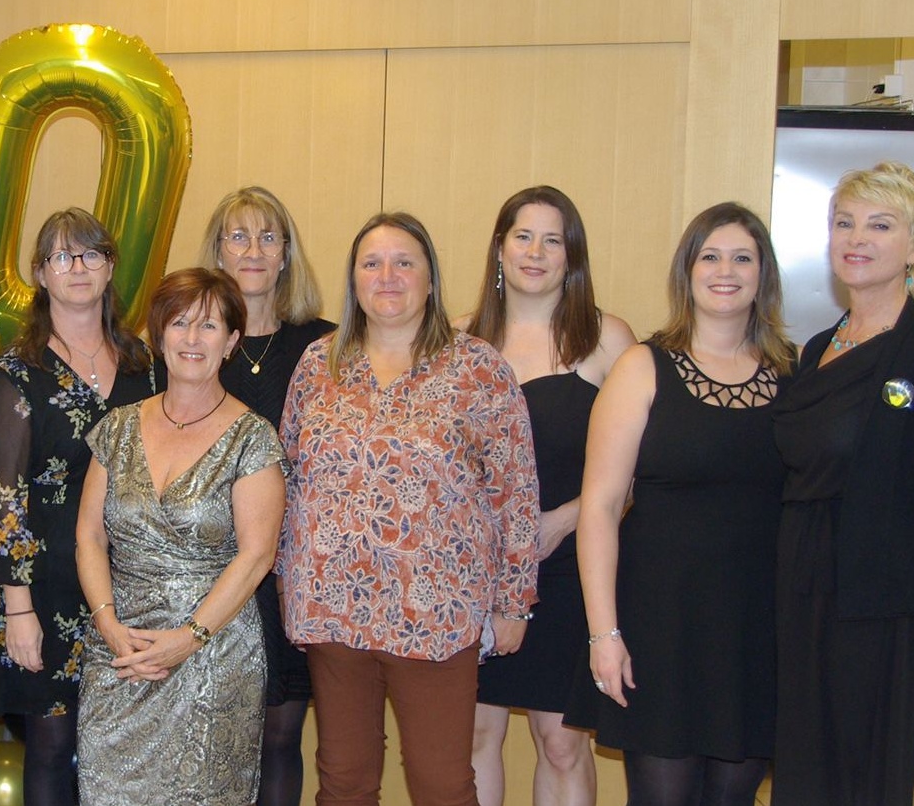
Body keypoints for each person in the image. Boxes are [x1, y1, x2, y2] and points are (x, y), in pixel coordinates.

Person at [281, 213, 539, 806]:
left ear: (430, 278)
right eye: (371, 263)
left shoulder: (478, 369)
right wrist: (285, 581)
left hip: (436, 611)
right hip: (332, 607)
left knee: (442, 785)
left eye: (404, 262)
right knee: (343, 781)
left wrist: (513, 602)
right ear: (354, 280)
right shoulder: (318, 365)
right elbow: (288, 476)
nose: (388, 276)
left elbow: (516, 493)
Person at [771, 163, 914, 806]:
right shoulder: (816, 349)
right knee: (802, 766)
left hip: (880, 607)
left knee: (860, 775)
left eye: (880, 225)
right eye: (845, 222)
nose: (857, 238)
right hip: (801, 588)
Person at [565, 203, 793, 805]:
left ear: (763, 275)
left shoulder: (794, 374)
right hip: (660, 625)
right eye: (709, 257)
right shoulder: (643, 367)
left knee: (733, 797)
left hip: (756, 629)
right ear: (687, 271)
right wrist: (603, 633)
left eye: (742, 258)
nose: (725, 271)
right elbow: (600, 507)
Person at [74, 268, 286, 805]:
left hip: (211, 657)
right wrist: (108, 626)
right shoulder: (117, 426)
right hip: (120, 653)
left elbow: (257, 555)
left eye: (209, 326)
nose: (192, 338)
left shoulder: (253, 437)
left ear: (231, 342)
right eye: (179, 323)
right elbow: (89, 538)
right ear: (158, 334)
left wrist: (188, 639)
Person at [459, 187, 634, 806]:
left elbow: (639, 468)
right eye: (523, 237)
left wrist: (563, 521)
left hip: (570, 564)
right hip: (475, 573)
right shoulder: (458, 340)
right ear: (499, 248)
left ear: (572, 255)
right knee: (472, 735)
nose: (535, 252)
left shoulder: (607, 340)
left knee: (562, 743)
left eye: (552, 240)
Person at [0, 208, 157, 806]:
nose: (78, 267)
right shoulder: (18, 370)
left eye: (91, 254)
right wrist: (18, 609)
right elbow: (5, 499)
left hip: (134, 584)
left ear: (110, 267)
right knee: (53, 746)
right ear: (40, 274)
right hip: (46, 588)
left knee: (126, 745)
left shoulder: (145, 365)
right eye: (61, 256)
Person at [197, 186, 333, 806]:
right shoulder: (191, 341)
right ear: (217, 253)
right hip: (205, 568)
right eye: (238, 237)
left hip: (292, 570)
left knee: (280, 735)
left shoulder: (327, 346)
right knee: (212, 736)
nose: (253, 251)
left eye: (268, 237)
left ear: (286, 255)